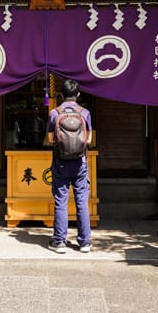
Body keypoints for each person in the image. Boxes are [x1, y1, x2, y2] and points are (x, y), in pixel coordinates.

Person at [45, 78, 93, 253]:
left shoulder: (54, 113)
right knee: (81, 201)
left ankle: (59, 242)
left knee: (61, 201)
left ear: (61, 94)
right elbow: (88, 139)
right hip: (80, 163)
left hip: (61, 162)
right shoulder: (85, 113)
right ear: (78, 94)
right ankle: (85, 242)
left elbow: (51, 139)